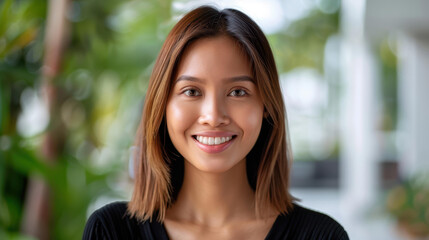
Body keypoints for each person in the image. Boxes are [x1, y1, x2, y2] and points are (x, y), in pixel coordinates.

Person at [83, 6, 349, 240]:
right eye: (191, 91)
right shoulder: (112, 231)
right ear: (162, 106)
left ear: (267, 107)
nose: (213, 115)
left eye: (237, 92)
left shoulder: (322, 235)